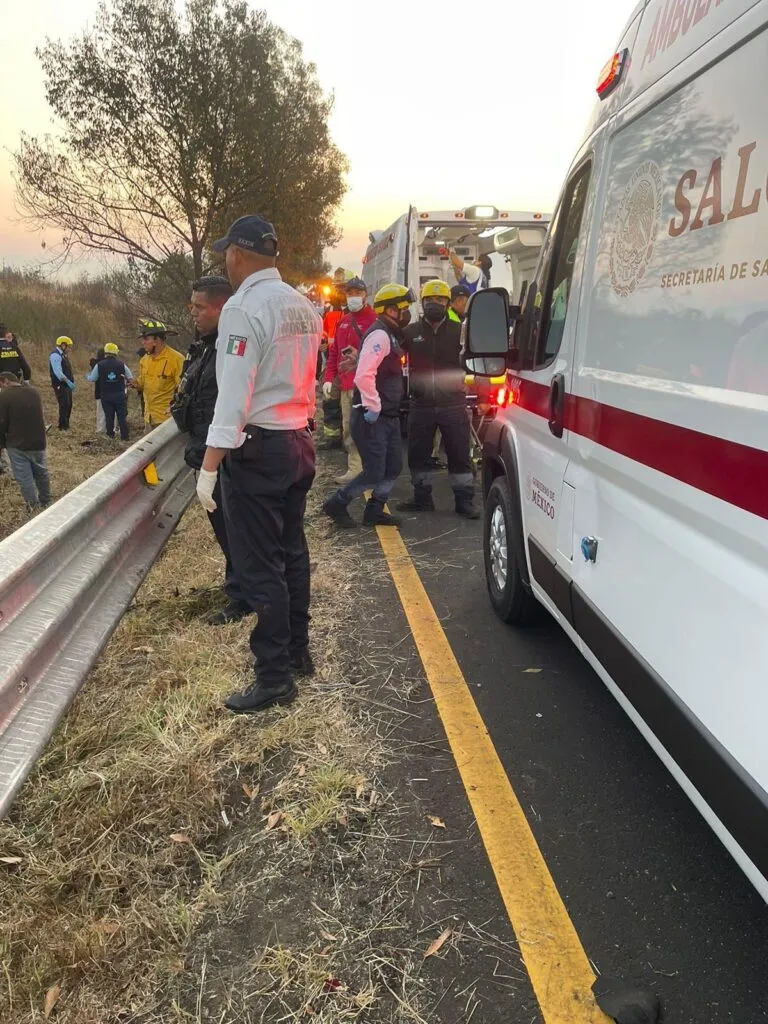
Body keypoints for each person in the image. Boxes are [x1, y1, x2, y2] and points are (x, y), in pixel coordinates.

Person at [195, 215, 321, 715]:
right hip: (297, 440)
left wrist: (209, 467)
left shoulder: (243, 308)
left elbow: (233, 396)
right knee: (292, 553)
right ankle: (297, 653)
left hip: (258, 448)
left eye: (226, 253)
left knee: (259, 565)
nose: (226, 261)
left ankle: (273, 677)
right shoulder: (302, 305)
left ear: (236, 255)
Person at [173, 274, 249, 625]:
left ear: (222, 308)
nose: (193, 313)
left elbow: (229, 406)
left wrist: (211, 464)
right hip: (205, 451)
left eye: (199, 307)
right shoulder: (204, 346)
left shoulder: (230, 348)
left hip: (225, 457)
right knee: (225, 529)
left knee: (235, 530)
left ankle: (243, 595)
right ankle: (240, 586)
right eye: (192, 306)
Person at [322, 283, 415, 530]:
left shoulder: (389, 333)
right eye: (403, 308)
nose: (406, 313)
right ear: (391, 310)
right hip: (372, 417)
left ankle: (374, 510)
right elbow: (364, 375)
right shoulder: (380, 335)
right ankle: (337, 504)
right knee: (374, 471)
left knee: (393, 466)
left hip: (388, 415)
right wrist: (373, 406)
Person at [396, 280, 479, 519]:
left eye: (440, 300)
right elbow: (389, 355)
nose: (435, 304)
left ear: (448, 303)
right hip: (420, 404)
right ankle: (422, 498)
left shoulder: (460, 332)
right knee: (417, 454)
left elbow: (476, 361)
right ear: (422, 303)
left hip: (453, 404)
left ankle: (464, 501)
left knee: (459, 454)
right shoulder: (410, 332)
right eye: (430, 300)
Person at [322, 277, 377, 484]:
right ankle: (355, 469)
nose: (353, 296)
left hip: (367, 386)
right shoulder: (343, 322)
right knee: (349, 428)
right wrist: (329, 378)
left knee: (369, 429)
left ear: (365, 295)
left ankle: (372, 468)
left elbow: (380, 352)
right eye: (350, 293)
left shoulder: (374, 320)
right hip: (346, 385)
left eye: (357, 293)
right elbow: (334, 353)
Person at [0, 371, 51, 508]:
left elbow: (2, 423)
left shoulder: (4, 396)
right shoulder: (34, 392)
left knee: (24, 477)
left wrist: (2, 444)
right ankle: (46, 501)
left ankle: (33, 506)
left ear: (6, 381)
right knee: (41, 472)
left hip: (17, 443)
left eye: (1, 385)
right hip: (38, 441)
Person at [129, 320, 184, 428]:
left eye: (146, 339)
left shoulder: (176, 359)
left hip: (167, 420)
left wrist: (176, 408)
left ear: (157, 340)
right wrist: (136, 384)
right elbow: (143, 382)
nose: (143, 342)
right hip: (148, 418)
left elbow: (183, 389)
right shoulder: (144, 360)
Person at [86, 342, 133, 440]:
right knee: (121, 416)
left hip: (106, 395)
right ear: (116, 353)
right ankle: (125, 436)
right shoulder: (122, 364)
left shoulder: (99, 365)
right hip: (119, 394)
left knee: (109, 416)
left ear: (105, 353)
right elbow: (130, 377)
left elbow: (93, 378)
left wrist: (87, 376)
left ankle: (110, 435)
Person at [49, 335, 76, 430]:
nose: (70, 349)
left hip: (66, 385)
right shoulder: (55, 355)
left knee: (69, 404)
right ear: (63, 345)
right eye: (69, 347)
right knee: (64, 404)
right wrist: (68, 381)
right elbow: (58, 372)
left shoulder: (63, 355)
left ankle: (66, 425)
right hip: (60, 384)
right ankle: (62, 426)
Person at [88, 347, 107, 433]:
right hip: (110, 390)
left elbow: (92, 378)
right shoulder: (109, 363)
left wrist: (88, 376)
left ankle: (100, 429)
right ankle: (111, 428)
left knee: (100, 411)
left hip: (99, 390)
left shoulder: (96, 364)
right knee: (111, 411)